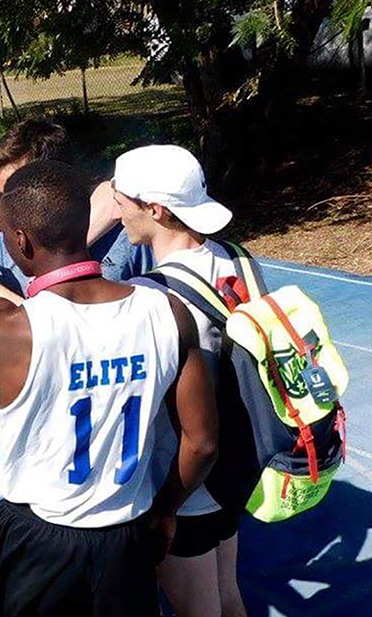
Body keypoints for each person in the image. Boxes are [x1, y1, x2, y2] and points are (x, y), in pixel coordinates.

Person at [0, 160, 218, 617]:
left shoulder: (8, 329)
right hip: (126, 530)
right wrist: (164, 510)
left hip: (38, 538)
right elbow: (202, 443)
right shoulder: (166, 311)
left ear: (21, 240)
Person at [113, 145, 253, 617]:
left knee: (198, 611)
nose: (116, 209)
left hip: (185, 480)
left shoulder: (153, 295)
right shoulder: (238, 259)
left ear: (155, 210)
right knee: (228, 593)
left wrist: (163, 508)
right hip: (237, 461)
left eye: (121, 198)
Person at [0, 118, 152, 295]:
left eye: (14, 190)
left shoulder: (130, 235)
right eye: (4, 195)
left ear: (54, 178)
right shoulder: (6, 244)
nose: (6, 207)